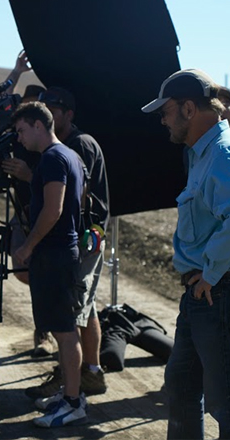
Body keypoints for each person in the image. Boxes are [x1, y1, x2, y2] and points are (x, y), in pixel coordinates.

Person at [141, 68, 230, 439]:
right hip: (201, 296)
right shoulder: (200, 153)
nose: (162, 120)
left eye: (166, 111)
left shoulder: (222, 154)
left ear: (189, 109)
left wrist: (210, 273)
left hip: (218, 293)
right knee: (180, 385)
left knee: (226, 404)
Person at [17, 86, 110, 399]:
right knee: (82, 308)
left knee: (72, 317)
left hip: (82, 237)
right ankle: (84, 375)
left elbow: (64, 201)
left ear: (66, 115)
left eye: (54, 110)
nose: (19, 138)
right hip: (77, 236)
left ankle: (76, 384)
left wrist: (32, 179)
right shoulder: (67, 149)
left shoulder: (74, 147)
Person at [11, 101, 87, 428]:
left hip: (55, 255)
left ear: (39, 126)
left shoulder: (55, 159)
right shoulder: (67, 155)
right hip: (60, 253)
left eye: (22, 130)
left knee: (66, 332)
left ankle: (73, 402)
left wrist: (28, 245)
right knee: (61, 329)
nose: (19, 138)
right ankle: (70, 394)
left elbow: (53, 209)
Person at [0, 50, 56, 358]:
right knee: (24, 270)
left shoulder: (49, 144)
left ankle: (45, 332)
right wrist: (17, 72)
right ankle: (48, 326)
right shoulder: (14, 131)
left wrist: (28, 175)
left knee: (40, 272)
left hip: (42, 212)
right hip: (21, 212)